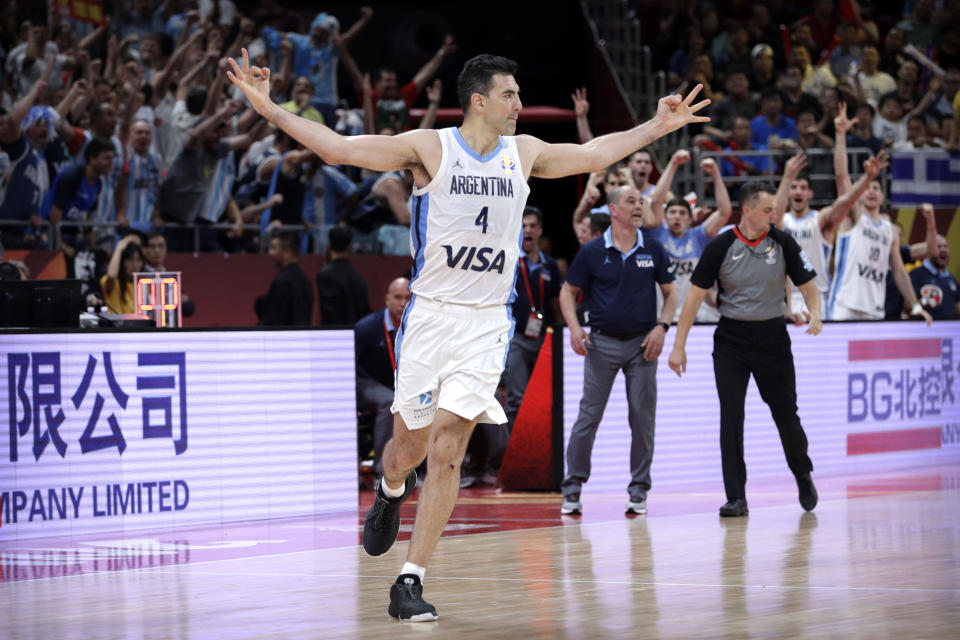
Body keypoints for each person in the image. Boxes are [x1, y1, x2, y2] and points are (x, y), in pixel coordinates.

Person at [228, 49, 708, 621]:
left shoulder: (522, 154)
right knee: (409, 447)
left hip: (485, 324)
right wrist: (269, 107)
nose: (520, 105)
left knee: (450, 450)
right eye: (511, 95)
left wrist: (659, 124)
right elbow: (339, 148)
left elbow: (591, 153)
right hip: (431, 317)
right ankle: (389, 488)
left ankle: (410, 579)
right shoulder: (431, 148)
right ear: (479, 100)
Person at [667, 183, 822, 518]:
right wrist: (678, 347)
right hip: (732, 341)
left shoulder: (783, 242)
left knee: (786, 416)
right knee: (731, 417)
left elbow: (809, 285)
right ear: (748, 212)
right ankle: (736, 496)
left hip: (773, 340)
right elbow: (693, 298)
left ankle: (802, 474)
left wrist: (816, 313)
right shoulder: (721, 245)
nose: (775, 215)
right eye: (768, 210)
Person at [559, 185, 677, 517]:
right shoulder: (593, 251)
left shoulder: (653, 248)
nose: (639, 206)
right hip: (602, 344)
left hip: (643, 345)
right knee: (588, 417)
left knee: (642, 418)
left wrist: (662, 327)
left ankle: (638, 491)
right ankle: (572, 488)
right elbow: (567, 292)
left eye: (640, 202)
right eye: (631, 202)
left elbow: (671, 294)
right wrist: (574, 328)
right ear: (613, 209)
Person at [825, 157, 933, 325]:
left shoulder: (889, 230)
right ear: (860, 194)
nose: (871, 191)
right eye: (867, 188)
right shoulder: (854, 215)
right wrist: (840, 134)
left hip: (874, 309)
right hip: (845, 304)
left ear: (882, 197)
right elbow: (842, 176)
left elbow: (899, 272)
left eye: (876, 188)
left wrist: (915, 306)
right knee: (836, 351)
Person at [646, 150, 732, 322]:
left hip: (695, 317)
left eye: (682, 213)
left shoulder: (698, 236)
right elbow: (656, 201)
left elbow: (724, 212)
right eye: (672, 212)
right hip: (660, 317)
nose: (677, 216)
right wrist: (673, 164)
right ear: (665, 216)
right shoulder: (656, 233)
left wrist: (715, 174)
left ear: (690, 218)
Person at [502, 206, 561, 434]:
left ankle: (543, 451)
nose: (527, 230)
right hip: (515, 337)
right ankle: (516, 458)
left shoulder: (551, 266)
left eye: (532, 226)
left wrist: (556, 336)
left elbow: (556, 304)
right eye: (523, 226)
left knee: (545, 397)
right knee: (517, 398)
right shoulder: (509, 261)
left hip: (543, 338)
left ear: (540, 231)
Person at [355, 277, 411, 475]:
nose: (403, 303)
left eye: (408, 297)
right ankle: (382, 470)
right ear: (387, 299)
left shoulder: (418, 326)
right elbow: (348, 363)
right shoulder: (367, 328)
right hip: (366, 383)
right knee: (388, 401)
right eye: (397, 298)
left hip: (400, 383)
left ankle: (419, 470)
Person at [315, 226, 372, 326]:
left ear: (328, 245)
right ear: (350, 247)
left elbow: (329, 313)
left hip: (336, 335)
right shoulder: (358, 277)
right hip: (356, 333)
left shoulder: (325, 275)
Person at [254, 231, 314, 326]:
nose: (270, 253)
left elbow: (273, 321)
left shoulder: (281, 281)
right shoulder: (306, 280)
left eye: (274, 248)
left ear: (287, 252)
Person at [142, 231, 196, 317]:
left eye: (160, 246)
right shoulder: (140, 275)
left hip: (169, 327)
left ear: (166, 249)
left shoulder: (171, 277)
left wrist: (184, 302)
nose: (157, 250)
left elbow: (188, 309)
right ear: (144, 250)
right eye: (152, 246)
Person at [912, 235, 959, 319]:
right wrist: (925, 301)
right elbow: (907, 306)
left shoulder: (952, 278)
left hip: (950, 330)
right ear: (927, 250)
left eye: (945, 246)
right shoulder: (916, 274)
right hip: (924, 328)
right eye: (939, 246)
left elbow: (957, 306)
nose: (943, 249)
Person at [100, 234, 145, 314]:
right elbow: (111, 275)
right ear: (122, 262)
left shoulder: (143, 286)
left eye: (138, 260)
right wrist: (119, 248)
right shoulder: (113, 283)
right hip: (115, 326)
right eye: (130, 260)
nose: (134, 265)